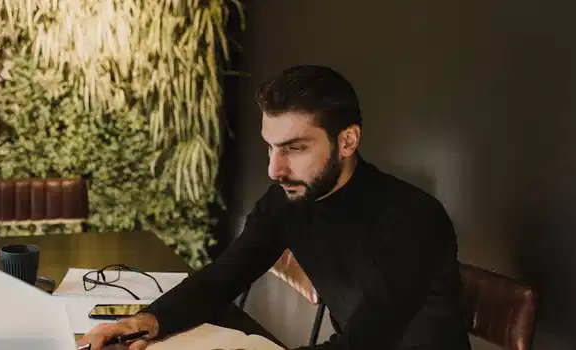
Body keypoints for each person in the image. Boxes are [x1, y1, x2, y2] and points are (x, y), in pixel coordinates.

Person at [77, 65, 472, 350]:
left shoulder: (413, 219)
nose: (274, 169)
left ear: (348, 141)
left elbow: (367, 341)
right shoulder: (288, 202)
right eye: (270, 146)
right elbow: (224, 276)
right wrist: (146, 321)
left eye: (294, 148)